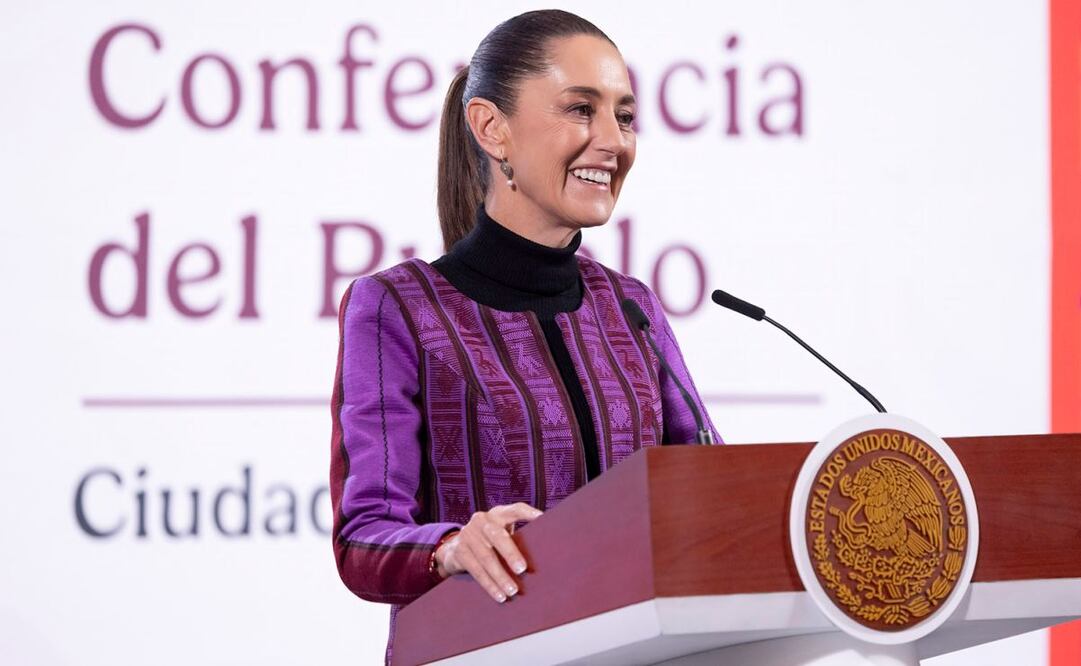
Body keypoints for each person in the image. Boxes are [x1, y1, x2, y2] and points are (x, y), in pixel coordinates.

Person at [328, 9, 722, 663]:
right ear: (491, 128)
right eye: (579, 110)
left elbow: (711, 490)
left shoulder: (632, 307)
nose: (612, 141)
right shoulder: (395, 308)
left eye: (623, 117)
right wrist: (452, 548)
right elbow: (363, 539)